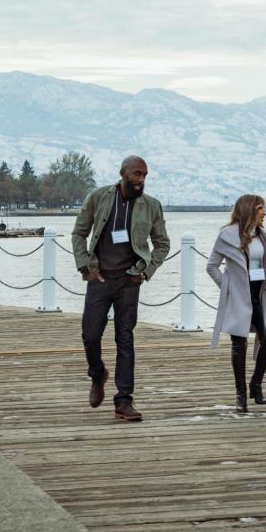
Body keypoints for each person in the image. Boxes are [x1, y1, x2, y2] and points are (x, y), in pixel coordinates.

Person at [72, 155, 170, 422]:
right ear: (122, 173)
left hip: (129, 281)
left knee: (125, 338)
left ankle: (124, 401)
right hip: (99, 280)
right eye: (137, 174)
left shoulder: (152, 206)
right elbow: (79, 233)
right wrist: (85, 267)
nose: (141, 180)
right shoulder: (99, 197)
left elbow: (162, 244)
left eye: (145, 176)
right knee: (90, 335)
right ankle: (97, 374)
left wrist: (145, 272)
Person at [206, 195, 266, 413]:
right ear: (249, 210)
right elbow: (212, 266)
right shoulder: (227, 236)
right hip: (240, 295)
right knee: (239, 344)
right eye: (260, 209)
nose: (264, 213)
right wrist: (227, 288)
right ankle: (240, 395)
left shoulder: (264, 236)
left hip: (261, 294)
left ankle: (256, 383)